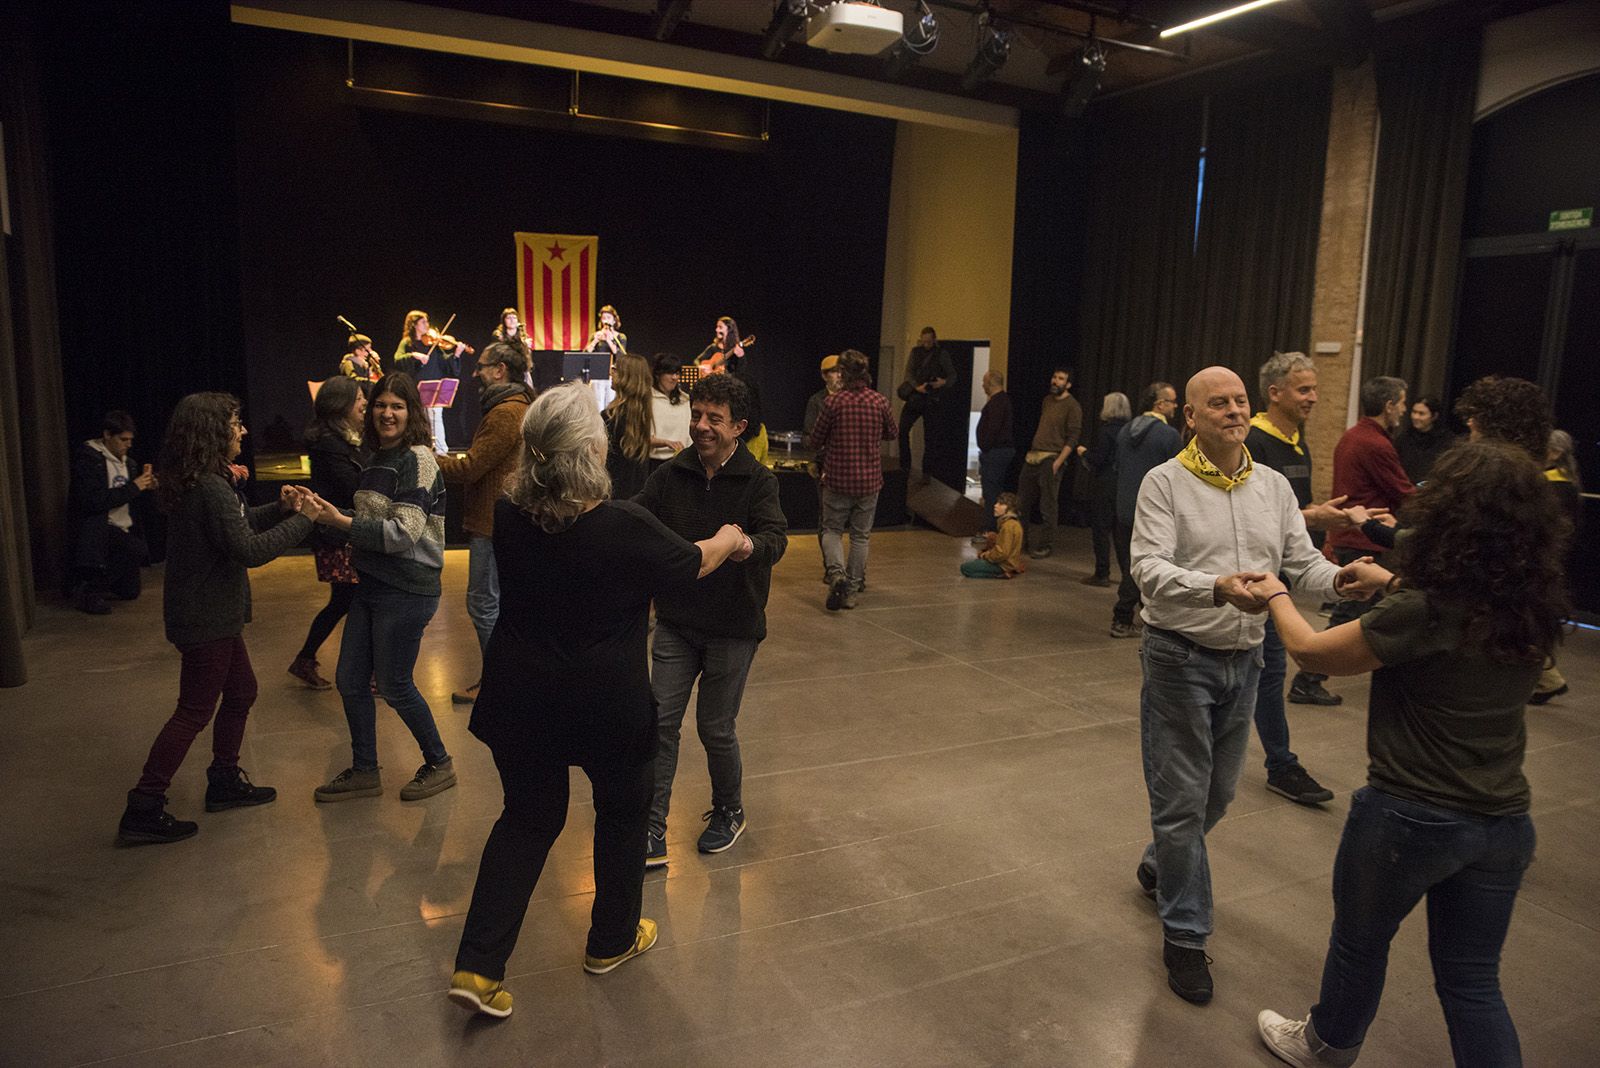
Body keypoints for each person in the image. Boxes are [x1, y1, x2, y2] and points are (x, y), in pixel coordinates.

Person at [1252, 440, 1570, 1068]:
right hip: (1504, 823)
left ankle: (1327, 1044)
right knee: (1472, 982)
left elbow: (1313, 653)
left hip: (1409, 816)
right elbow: (1458, 611)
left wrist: (1275, 594)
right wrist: (1392, 580)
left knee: (1360, 943)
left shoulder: (1423, 610)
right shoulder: (1529, 607)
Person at [448, 384, 747, 1018]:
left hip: (521, 695)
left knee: (527, 819)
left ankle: (477, 966)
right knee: (621, 814)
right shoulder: (622, 527)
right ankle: (611, 941)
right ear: (590, 452)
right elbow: (694, 562)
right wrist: (729, 536)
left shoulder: (508, 515)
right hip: (605, 703)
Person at [1129, 366, 1380, 1006]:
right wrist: (1215, 587)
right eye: (1218, 403)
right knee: (1183, 801)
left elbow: (1300, 564)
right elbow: (1147, 568)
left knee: (1216, 795)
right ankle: (1186, 935)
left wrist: (1338, 579)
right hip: (1178, 657)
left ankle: (1162, 862)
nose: (1235, 411)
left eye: (1240, 401)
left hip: (1246, 661)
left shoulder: (1270, 486)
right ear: (1191, 417)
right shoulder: (1165, 483)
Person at [116, 393, 317, 845]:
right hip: (205, 618)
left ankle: (224, 779)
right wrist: (303, 520)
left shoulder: (206, 481)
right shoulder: (209, 486)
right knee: (193, 711)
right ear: (212, 433)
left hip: (210, 616)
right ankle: (144, 805)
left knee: (242, 691)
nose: (242, 430)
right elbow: (248, 549)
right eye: (235, 424)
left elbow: (235, 527)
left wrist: (281, 510)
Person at [635, 372, 787, 869]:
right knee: (660, 723)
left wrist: (745, 545)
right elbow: (637, 515)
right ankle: (652, 825)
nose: (701, 425)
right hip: (677, 621)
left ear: (738, 426)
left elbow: (776, 539)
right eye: (697, 414)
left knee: (715, 728)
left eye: (714, 418)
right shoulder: (672, 473)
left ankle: (729, 810)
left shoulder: (758, 480)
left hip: (733, 627)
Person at [309, 373, 456, 804]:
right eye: (379, 405)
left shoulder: (417, 459)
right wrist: (325, 512)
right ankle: (365, 770)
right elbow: (373, 522)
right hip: (372, 584)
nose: (386, 413)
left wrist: (339, 521)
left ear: (412, 412)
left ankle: (440, 763)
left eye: (396, 406)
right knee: (350, 680)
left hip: (407, 589)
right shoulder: (377, 458)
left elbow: (402, 534)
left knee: (394, 685)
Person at [1245, 352, 1372, 806]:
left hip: (1278, 583)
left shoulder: (1295, 441)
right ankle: (1275, 764)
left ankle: (1279, 764)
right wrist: (1312, 517)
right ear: (1274, 393)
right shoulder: (1253, 442)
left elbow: (1287, 517)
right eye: (1304, 389)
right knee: (1251, 679)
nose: (1314, 397)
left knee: (1266, 676)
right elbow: (1249, 518)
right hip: (1251, 586)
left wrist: (1319, 520)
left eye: (1314, 389)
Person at [1293, 377, 1414, 705]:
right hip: (1364, 539)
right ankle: (1308, 679)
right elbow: (1403, 492)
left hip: (1352, 535)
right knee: (1351, 613)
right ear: (1389, 405)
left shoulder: (1352, 436)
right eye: (1402, 403)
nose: (1404, 410)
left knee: (1361, 611)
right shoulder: (1376, 443)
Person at [435, 342, 534, 706]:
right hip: (503, 520)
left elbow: (472, 467)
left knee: (483, 604)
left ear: (500, 370)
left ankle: (497, 683)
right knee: (498, 605)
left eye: (481, 366)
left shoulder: (506, 412)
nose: (476, 373)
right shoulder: (517, 406)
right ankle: (509, 679)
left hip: (493, 523)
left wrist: (431, 461)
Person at [288, 376, 368, 690]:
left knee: (346, 601)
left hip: (340, 531)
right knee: (352, 601)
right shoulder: (330, 444)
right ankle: (360, 672)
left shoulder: (341, 439)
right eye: (359, 398)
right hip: (337, 536)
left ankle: (306, 659)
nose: (365, 404)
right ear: (341, 404)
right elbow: (352, 488)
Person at [809, 349, 896, 611]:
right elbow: (892, 433)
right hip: (869, 481)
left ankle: (837, 575)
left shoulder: (834, 402)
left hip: (837, 479)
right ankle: (853, 588)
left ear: (843, 373)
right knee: (860, 536)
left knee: (832, 530)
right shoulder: (879, 401)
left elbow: (815, 439)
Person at [1109, 382, 1180, 638]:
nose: (1176, 406)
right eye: (1172, 401)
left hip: (1123, 507)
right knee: (1140, 566)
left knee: (1130, 563)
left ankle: (1142, 611)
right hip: (1151, 511)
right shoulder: (1169, 436)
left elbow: (1117, 467)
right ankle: (1122, 618)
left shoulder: (1125, 430)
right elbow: (1178, 476)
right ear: (1160, 405)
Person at [68, 410, 153, 614]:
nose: (128, 445)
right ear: (107, 435)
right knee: (137, 549)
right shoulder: (90, 459)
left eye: (130, 440)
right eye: (123, 440)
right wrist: (134, 487)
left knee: (130, 592)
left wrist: (148, 486)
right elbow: (93, 500)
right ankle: (89, 591)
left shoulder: (129, 464)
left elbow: (130, 498)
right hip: (100, 526)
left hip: (123, 526)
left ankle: (100, 582)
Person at [1532, 428, 1581, 706]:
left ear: (1555, 453)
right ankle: (1547, 678)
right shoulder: (1568, 484)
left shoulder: (1553, 486)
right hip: (1552, 560)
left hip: (1543, 560)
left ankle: (1549, 678)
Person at [1017, 368, 1083, 559]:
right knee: (1022, 502)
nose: (1055, 381)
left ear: (1068, 384)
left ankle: (1045, 544)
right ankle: (1021, 541)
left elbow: (1073, 437)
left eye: (1061, 379)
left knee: (1048, 505)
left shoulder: (1073, 406)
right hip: (1034, 454)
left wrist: (1058, 461)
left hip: (1052, 457)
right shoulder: (1047, 400)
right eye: (1054, 377)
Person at [1077, 391, 1130, 586]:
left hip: (1105, 484)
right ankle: (1127, 575)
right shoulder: (1130, 431)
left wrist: (1084, 453)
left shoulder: (1106, 431)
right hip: (1123, 484)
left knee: (1101, 529)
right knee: (1121, 533)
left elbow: (1099, 459)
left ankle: (1102, 573)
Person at [391, 310, 463, 453]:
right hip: (415, 388)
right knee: (417, 420)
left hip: (433, 388)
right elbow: (398, 359)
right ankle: (418, 450)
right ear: (414, 325)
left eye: (427, 322)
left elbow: (445, 363)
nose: (427, 325)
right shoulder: (407, 342)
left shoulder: (432, 344)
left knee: (436, 418)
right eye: (423, 322)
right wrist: (414, 355)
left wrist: (456, 354)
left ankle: (441, 452)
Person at [896, 327, 955, 473]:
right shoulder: (916, 352)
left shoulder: (942, 354)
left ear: (934, 340)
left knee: (930, 438)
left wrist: (943, 382)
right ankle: (905, 466)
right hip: (915, 397)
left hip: (931, 398)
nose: (926, 344)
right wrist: (917, 387)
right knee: (902, 430)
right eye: (924, 342)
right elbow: (908, 373)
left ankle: (926, 472)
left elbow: (952, 375)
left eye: (928, 342)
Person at [603, 352, 654, 501]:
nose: (611, 373)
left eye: (615, 369)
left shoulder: (610, 417)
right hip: (635, 496)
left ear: (626, 378)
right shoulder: (643, 414)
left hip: (612, 494)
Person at [975, 370, 1015, 535]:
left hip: (995, 453)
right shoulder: (1001, 401)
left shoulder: (998, 403)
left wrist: (985, 447)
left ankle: (990, 527)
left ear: (990, 383)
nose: (982, 385)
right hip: (997, 452)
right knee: (993, 490)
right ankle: (993, 526)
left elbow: (993, 429)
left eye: (984, 382)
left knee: (991, 492)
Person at [961, 492, 1025, 578]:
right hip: (1007, 562)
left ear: (1009, 508)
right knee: (975, 564)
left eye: (1000, 504)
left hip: (1003, 564)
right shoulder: (1012, 523)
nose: (995, 505)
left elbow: (1002, 553)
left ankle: (1002, 574)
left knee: (965, 568)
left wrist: (985, 555)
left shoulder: (1008, 526)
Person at [1394, 395, 1455, 484]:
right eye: (1414, 412)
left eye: (1421, 413)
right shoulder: (1404, 438)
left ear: (1434, 416)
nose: (1416, 417)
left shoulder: (1447, 441)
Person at [649, 353, 691, 472]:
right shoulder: (648, 399)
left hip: (683, 461)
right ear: (658, 375)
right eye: (670, 373)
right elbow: (641, 438)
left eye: (677, 373)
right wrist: (666, 442)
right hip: (655, 463)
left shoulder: (685, 400)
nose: (674, 377)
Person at [803, 354, 844, 438]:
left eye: (842, 371)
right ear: (824, 376)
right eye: (835, 371)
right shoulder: (816, 401)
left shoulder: (852, 398)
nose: (839, 375)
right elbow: (808, 435)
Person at [491, 307, 534, 387]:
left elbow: (526, 357)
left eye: (514, 318)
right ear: (504, 321)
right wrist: (523, 344)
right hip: (504, 370)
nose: (512, 320)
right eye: (508, 318)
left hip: (521, 370)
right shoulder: (498, 335)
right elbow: (504, 353)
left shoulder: (523, 335)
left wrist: (526, 347)